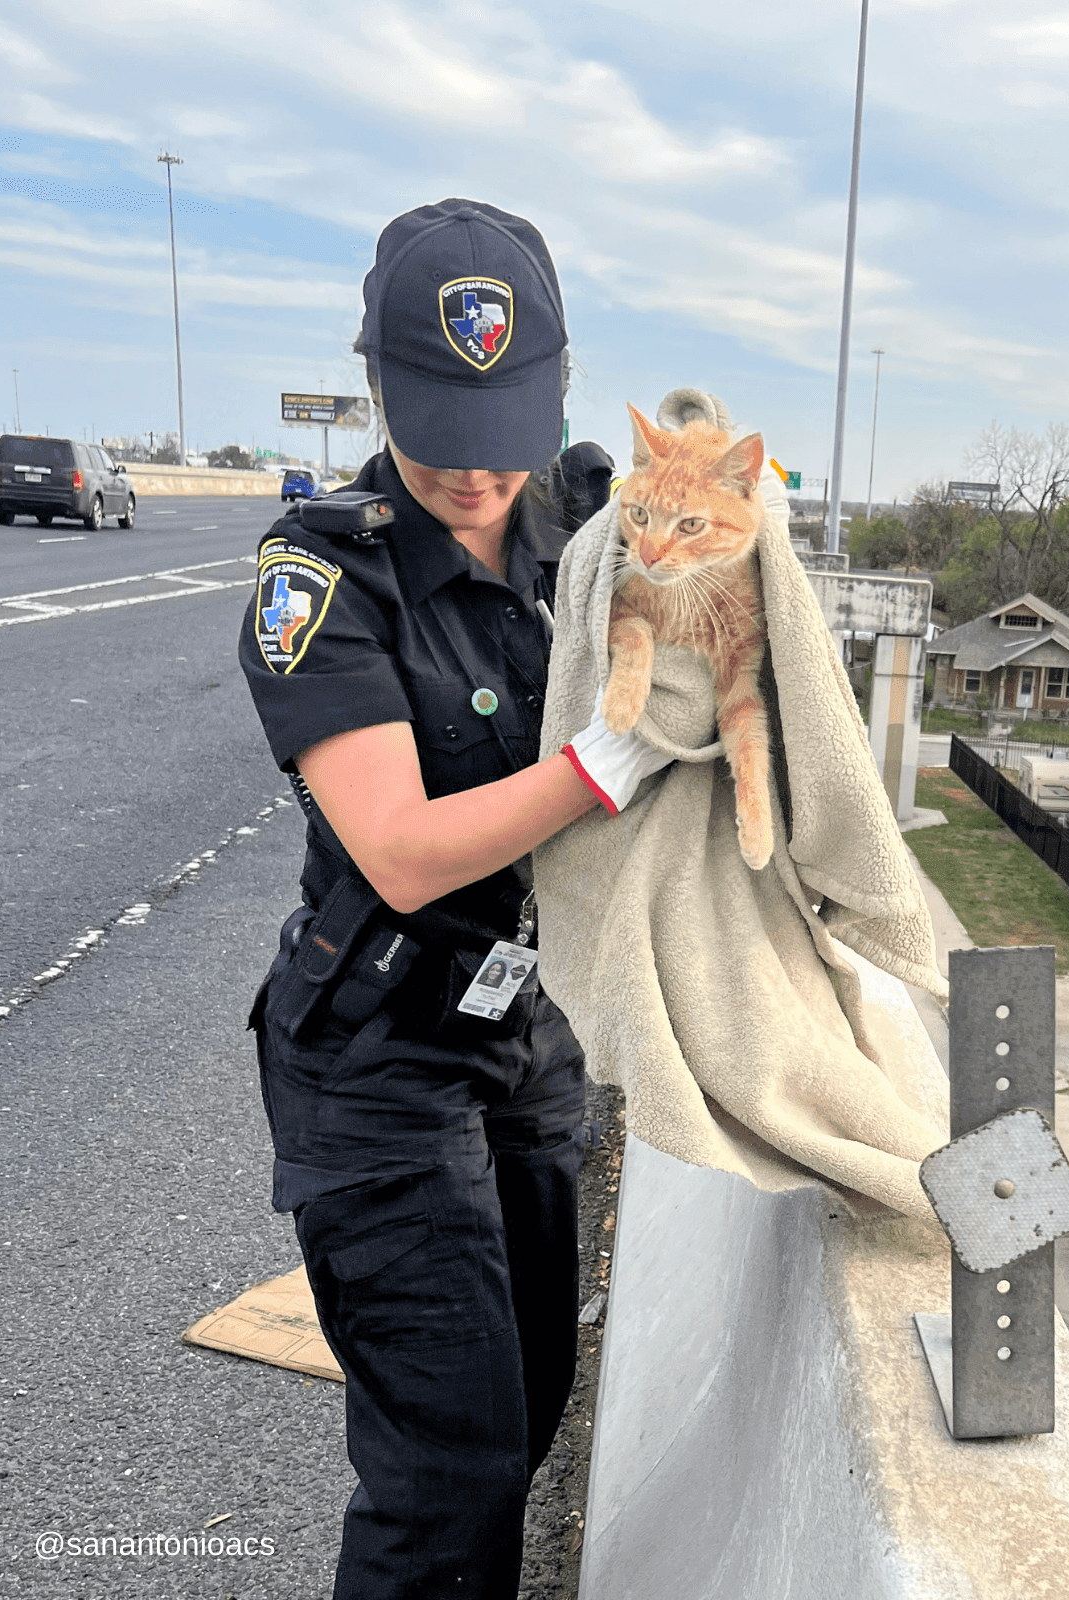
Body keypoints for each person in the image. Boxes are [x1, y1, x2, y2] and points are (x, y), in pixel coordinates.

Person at [238, 198, 674, 1599]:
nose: (476, 479)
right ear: (378, 386)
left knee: (532, 1401)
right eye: (439, 436)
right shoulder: (321, 575)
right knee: (449, 1471)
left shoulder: (579, 523)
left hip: (521, 1032)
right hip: (376, 1054)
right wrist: (604, 768)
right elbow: (406, 848)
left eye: (504, 438)